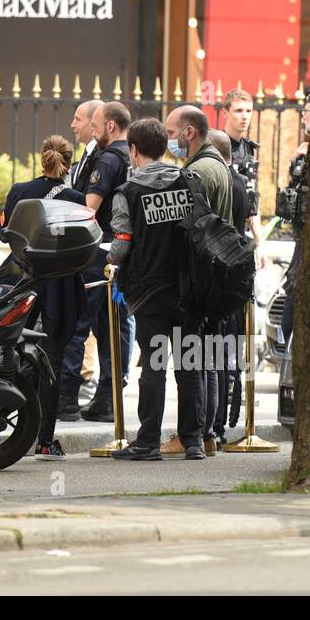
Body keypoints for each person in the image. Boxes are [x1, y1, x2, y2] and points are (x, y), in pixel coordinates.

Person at [107, 118, 206, 461]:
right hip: (188, 290)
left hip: (149, 293)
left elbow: (122, 242)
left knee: (154, 366)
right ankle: (193, 442)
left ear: (133, 150)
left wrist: (108, 261)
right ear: (164, 147)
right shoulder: (188, 181)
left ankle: (148, 441)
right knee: (189, 366)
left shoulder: (128, 193)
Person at [0, 136, 86, 460]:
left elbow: (3, 231)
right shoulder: (76, 199)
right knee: (52, 362)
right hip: (59, 288)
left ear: (41, 158)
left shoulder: (19, 191)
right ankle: (45, 440)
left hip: (20, 281)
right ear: (69, 162)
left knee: (6, 351)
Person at [159, 105, 233, 457]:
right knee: (208, 359)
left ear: (189, 133)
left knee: (193, 361)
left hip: (198, 275)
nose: (168, 139)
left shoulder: (198, 171)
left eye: (172, 133)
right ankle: (208, 435)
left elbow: (187, 226)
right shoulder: (216, 165)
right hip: (216, 273)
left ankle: (194, 434)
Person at [80, 101, 135, 422]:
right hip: (123, 250)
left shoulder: (109, 159)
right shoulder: (134, 156)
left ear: (111, 126)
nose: (92, 130)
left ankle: (104, 392)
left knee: (93, 321)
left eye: (97, 124)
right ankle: (110, 391)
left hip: (102, 251)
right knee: (114, 324)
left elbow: (89, 208)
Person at [59, 99, 104, 420]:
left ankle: (70, 396)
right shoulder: (89, 156)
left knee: (84, 325)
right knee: (83, 325)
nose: (72, 125)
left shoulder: (106, 159)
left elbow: (86, 210)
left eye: (78, 119)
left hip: (96, 256)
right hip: (85, 254)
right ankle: (76, 396)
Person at [206, 128, 248, 451]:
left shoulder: (221, 181)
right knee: (222, 352)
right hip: (234, 272)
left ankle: (214, 425)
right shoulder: (239, 183)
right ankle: (218, 425)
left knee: (215, 354)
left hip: (219, 271)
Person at [276, 89, 310, 345]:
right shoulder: (303, 150)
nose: (303, 119)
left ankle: (287, 347)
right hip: (302, 234)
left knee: (296, 294)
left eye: (308, 113)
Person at [222, 88, 267, 269]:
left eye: (248, 111)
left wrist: (260, 243)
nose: (245, 116)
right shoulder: (215, 145)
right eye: (239, 110)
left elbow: (252, 198)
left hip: (242, 234)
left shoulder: (248, 149)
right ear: (225, 112)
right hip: (220, 233)